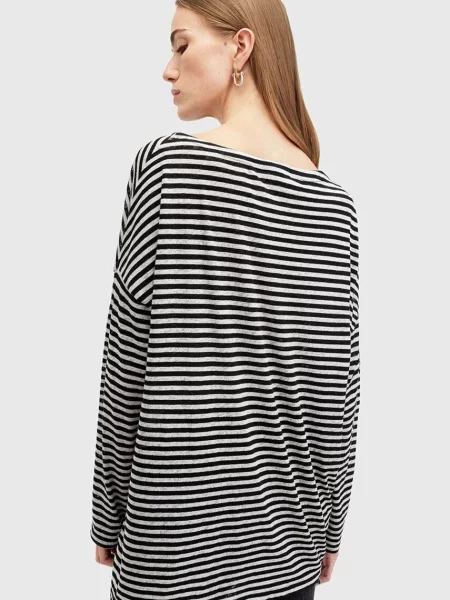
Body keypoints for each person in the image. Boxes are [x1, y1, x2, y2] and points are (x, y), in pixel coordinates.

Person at [90, 1, 360, 599]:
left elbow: (126, 359)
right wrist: (330, 532)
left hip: (171, 557)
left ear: (240, 47)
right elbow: (337, 395)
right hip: (286, 563)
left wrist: (107, 514)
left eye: (181, 45)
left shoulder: (170, 167)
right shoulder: (335, 208)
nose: (168, 69)